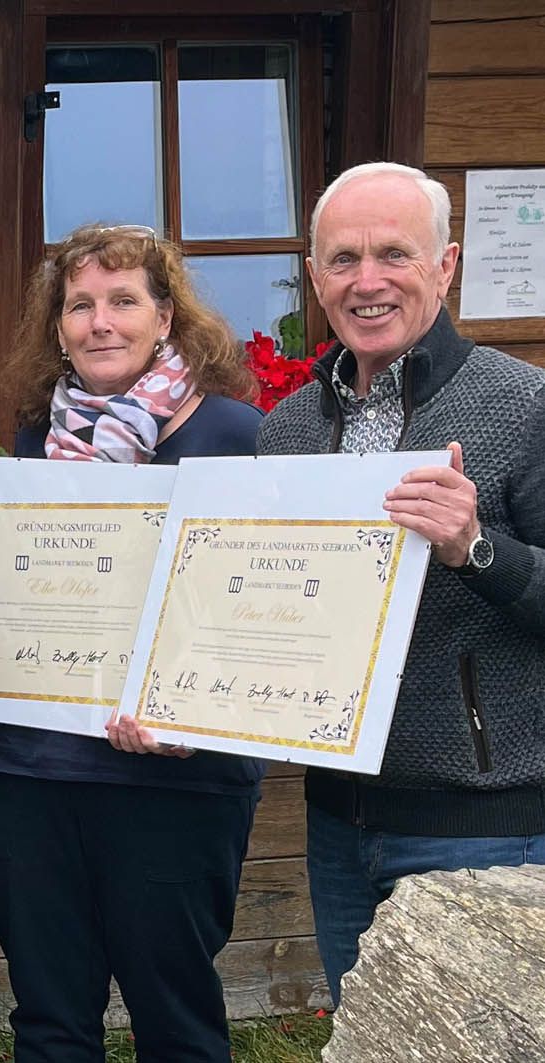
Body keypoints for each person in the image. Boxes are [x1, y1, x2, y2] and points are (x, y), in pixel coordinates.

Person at [0, 221, 265, 1061]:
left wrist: (195, 713)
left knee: (174, 1020)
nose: (99, 321)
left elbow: (258, 615)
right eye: (79, 305)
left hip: (175, 782)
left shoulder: (238, 438)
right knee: (50, 1020)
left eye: (123, 301)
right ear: (58, 325)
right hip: (30, 772)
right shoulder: (37, 438)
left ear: (166, 317)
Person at [257, 161, 545, 1005]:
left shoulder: (524, 405)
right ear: (314, 278)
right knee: (366, 1040)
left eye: (395, 254)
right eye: (342, 259)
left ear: (445, 266)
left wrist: (477, 548)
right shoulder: (288, 430)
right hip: (339, 821)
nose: (367, 281)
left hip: (481, 823)